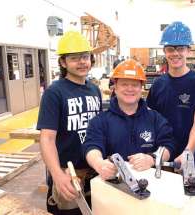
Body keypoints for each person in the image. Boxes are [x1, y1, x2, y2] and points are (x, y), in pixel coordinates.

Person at [37, 31, 103, 214]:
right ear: (63, 63)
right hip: (68, 176)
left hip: (94, 173)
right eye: (74, 58)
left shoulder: (94, 90)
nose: (82, 62)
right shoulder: (54, 93)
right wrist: (57, 175)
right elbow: (47, 139)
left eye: (85, 57)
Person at [83, 59, 175, 180]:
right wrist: (99, 164)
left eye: (135, 85)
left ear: (141, 88)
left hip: (149, 185)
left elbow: (168, 145)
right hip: (112, 187)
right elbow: (91, 147)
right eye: (124, 84)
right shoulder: (100, 121)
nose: (130, 89)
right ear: (115, 87)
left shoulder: (155, 118)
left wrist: (152, 158)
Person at [146, 21, 195, 174]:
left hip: (188, 158)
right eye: (170, 49)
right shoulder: (158, 84)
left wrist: (187, 152)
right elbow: (151, 121)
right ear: (164, 51)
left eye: (180, 48)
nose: (175, 53)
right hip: (161, 158)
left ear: (188, 50)